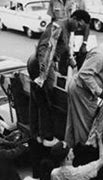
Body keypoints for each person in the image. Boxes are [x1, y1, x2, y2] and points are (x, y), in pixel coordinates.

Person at [28, 10, 91, 146]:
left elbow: (65, 46)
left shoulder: (67, 29)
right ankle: (46, 137)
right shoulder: (58, 27)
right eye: (79, 25)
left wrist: (71, 61)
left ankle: (38, 134)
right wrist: (42, 75)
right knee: (45, 99)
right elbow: (44, 50)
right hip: (41, 65)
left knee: (41, 99)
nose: (78, 28)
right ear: (73, 18)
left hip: (47, 64)